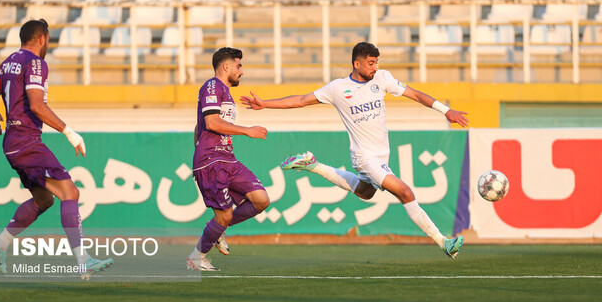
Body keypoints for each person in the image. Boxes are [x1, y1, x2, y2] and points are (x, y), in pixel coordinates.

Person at [241, 42, 469, 258]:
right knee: (406, 193)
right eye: (371, 62)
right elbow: (301, 100)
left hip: (381, 155)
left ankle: (314, 165)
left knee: (365, 193)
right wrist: (265, 104)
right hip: (365, 157)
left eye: (376, 62)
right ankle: (443, 242)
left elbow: (416, 94)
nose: (375, 67)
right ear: (357, 64)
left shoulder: (382, 78)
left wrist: (445, 111)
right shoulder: (338, 88)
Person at [0, 19, 113, 280]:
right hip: (27, 141)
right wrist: (69, 132)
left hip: (12, 142)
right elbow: (37, 105)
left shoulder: (7, 63)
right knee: (70, 192)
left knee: (44, 199)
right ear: (42, 39)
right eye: (49, 39)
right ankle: (83, 260)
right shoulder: (36, 62)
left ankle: (0, 244)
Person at [187, 47, 270, 271]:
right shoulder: (212, 86)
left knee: (261, 200)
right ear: (226, 66)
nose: (241, 71)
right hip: (212, 160)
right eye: (238, 66)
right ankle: (196, 257)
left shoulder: (224, 92)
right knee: (223, 216)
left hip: (227, 159)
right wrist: (247, 130)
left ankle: (215, 228)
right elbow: (212, 123)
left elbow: (200, 125)